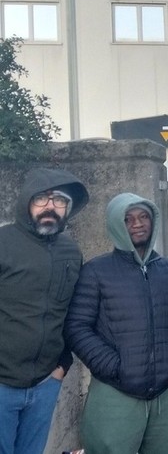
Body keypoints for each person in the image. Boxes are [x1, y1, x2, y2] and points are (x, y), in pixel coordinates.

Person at [64, 193, 168, 453]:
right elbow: (77, 327)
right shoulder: (96, 271)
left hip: (166, 394)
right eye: (128, 219)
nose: (137, 223)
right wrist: (113, 367)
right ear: (116, 224)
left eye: (144, 216)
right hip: (115, 392)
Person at [0, 168, 89, 454]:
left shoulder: (71, 252)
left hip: (45, 384)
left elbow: (74, 313)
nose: (50, 206)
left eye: (59, 200)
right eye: (41, 198)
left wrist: (62, 366)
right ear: (27, 202)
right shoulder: (3, 243)